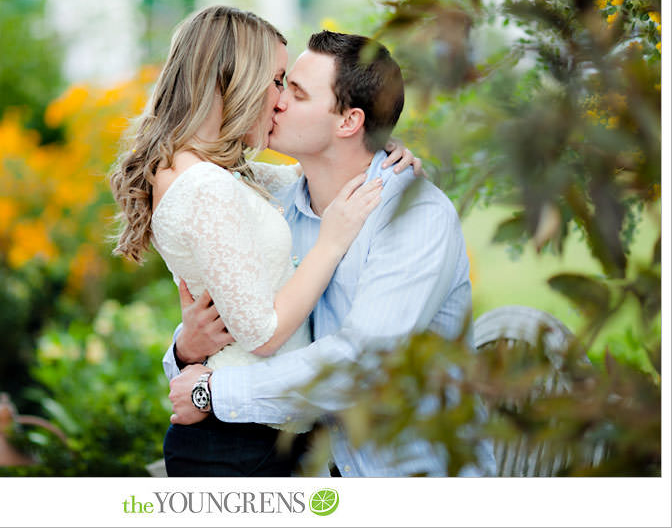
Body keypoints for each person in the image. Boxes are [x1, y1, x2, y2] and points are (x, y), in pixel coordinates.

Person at [166, 30, 497, 477]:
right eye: (282, 84)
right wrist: (187, 350)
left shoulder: (416, 218)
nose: (276, 100)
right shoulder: (277, 200)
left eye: (296, 93)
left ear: (348, 122)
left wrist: (215, 392)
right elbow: (236, 321)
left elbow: (362, 364)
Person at [110, 6, 420, 476]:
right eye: (278, 81)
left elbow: (302, 175)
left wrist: (376, 146)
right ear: (235, 80)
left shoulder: (211, 172)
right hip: (239, 440)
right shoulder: (206, 186)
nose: (280, 101)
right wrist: (331, 242)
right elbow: (262, 333)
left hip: (254, 428)